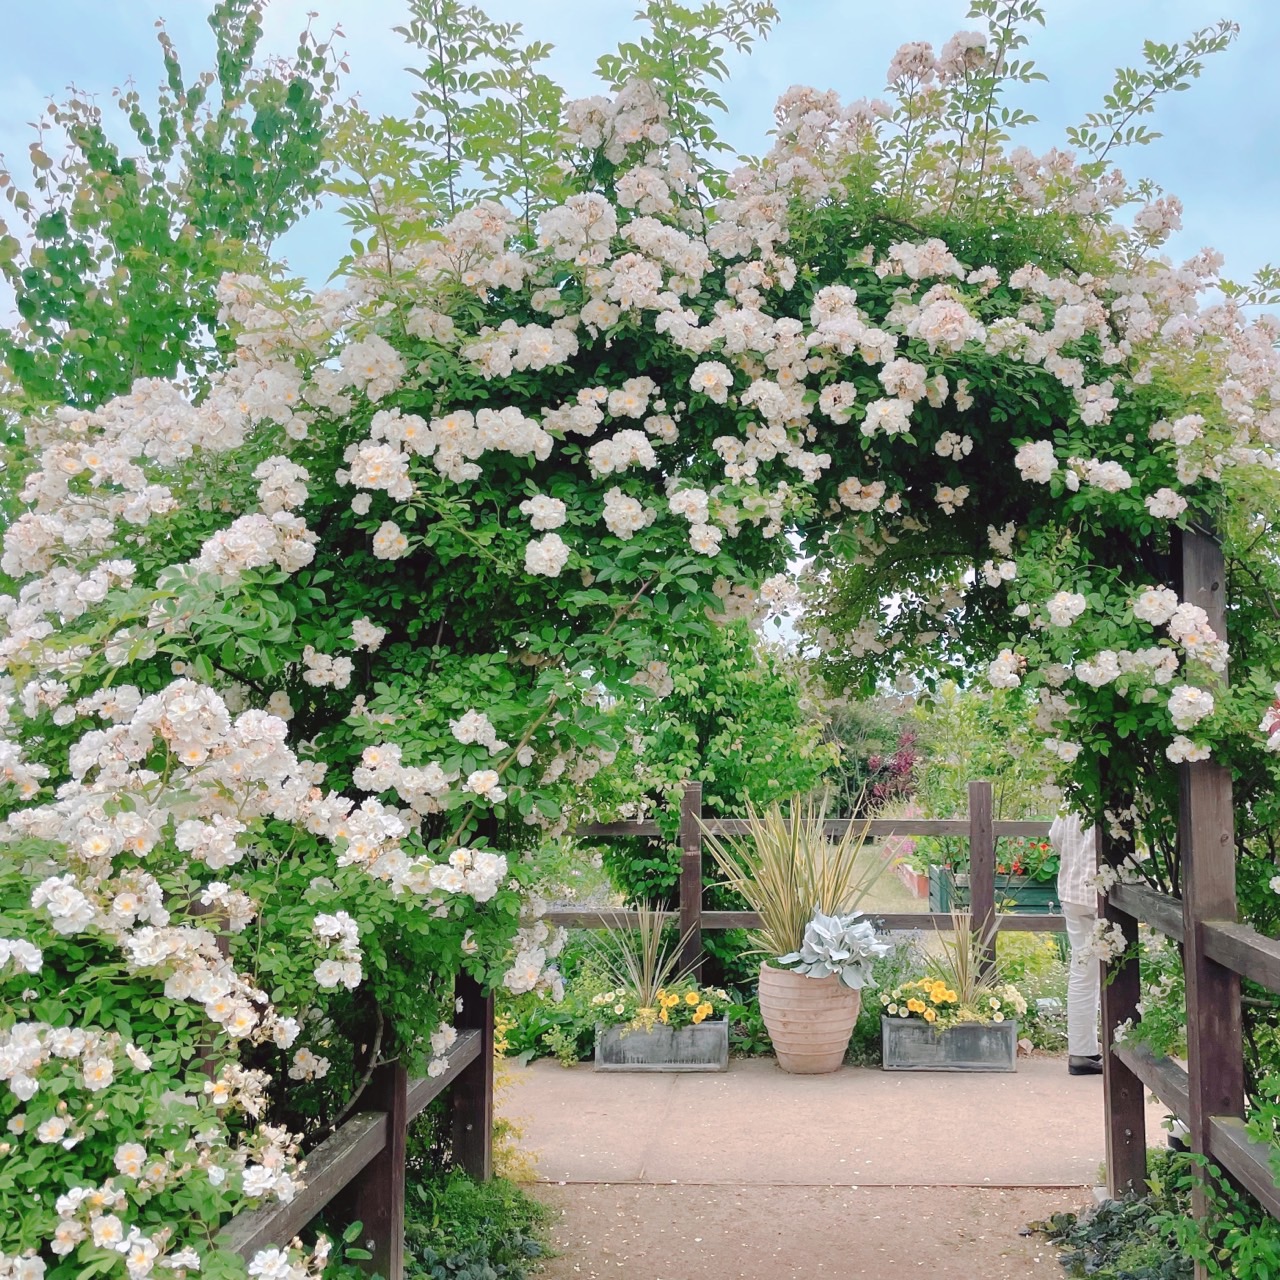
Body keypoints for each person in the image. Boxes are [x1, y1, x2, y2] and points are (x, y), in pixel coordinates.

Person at [1052, 810, 1103, 1076]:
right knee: (1118, 972)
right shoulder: (1124, 787)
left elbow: (1055, 837)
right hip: (1105, 893)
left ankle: (1082, 1052)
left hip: (1072, 891)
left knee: (1082, 973)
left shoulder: (1074, 791)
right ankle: (1123, 1048)